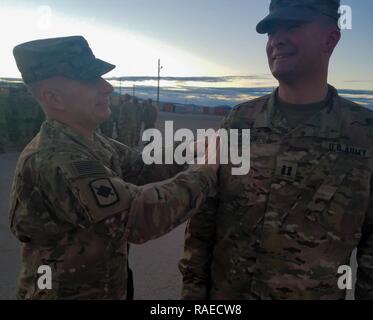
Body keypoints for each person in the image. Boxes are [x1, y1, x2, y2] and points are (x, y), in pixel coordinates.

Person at [179, 0, 373, 300]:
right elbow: (203, 224)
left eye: (292, 26)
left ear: (330, 39)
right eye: (271, 31)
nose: (276, 39)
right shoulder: (239, 121)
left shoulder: (368, 135)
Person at [9, 35, 218, 299]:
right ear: (54, 98)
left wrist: (190, 148)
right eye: (90, 80)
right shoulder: (55, 157)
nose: (107, 87)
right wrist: (208, 170)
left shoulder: (91, 141)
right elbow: (139, 217)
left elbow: (140, 166)